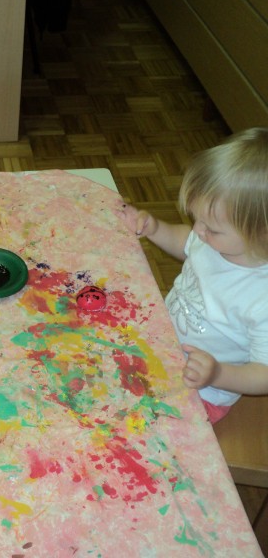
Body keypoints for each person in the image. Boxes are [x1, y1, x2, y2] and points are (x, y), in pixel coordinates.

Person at [119, 127, 268, 423]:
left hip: (202, 391)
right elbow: (186, 242)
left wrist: (217, 373)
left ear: (262, 233)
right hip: (160, 345)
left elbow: (264, 374)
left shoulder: (261, 299)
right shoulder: (212, 240)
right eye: (197, 219)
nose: (199, 230)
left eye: (211, 228)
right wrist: (155, 228)